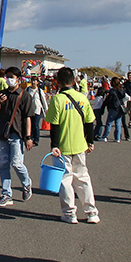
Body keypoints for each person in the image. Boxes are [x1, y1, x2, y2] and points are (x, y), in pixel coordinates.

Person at [45, 67, 99, 224]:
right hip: (80, 145)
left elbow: (54, 125)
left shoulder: (57, 99)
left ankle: (70, 213)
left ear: (58, 82)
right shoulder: (82, 97)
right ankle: (91, 212)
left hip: (62, 147)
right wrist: (90, 141)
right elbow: (89, 121)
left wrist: (53, 145)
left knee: (65, 180)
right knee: (83, 179)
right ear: (74, 80)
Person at [0, 66, 35, 207]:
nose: (9, 79)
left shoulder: (24, 96)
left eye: (12, 77)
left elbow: (28, 117)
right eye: (7, 76)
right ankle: (6, 194)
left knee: (16, 163)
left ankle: (26, 183)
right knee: (4, 165)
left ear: (18, 79)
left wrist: (28, 137)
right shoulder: (2, 94)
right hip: (3, 134)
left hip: (17, 134)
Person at [29, 77, 48, 146]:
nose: (33, 82)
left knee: (35, 125)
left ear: (37, 82)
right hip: (29, 110)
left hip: (37, 110)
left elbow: (43, 100)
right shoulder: (28, 89)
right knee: (30, 125)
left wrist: (46, 109)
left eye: (35, 81)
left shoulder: (39, 91)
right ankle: (30, 138)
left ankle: (36, 139)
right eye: (32, 81)